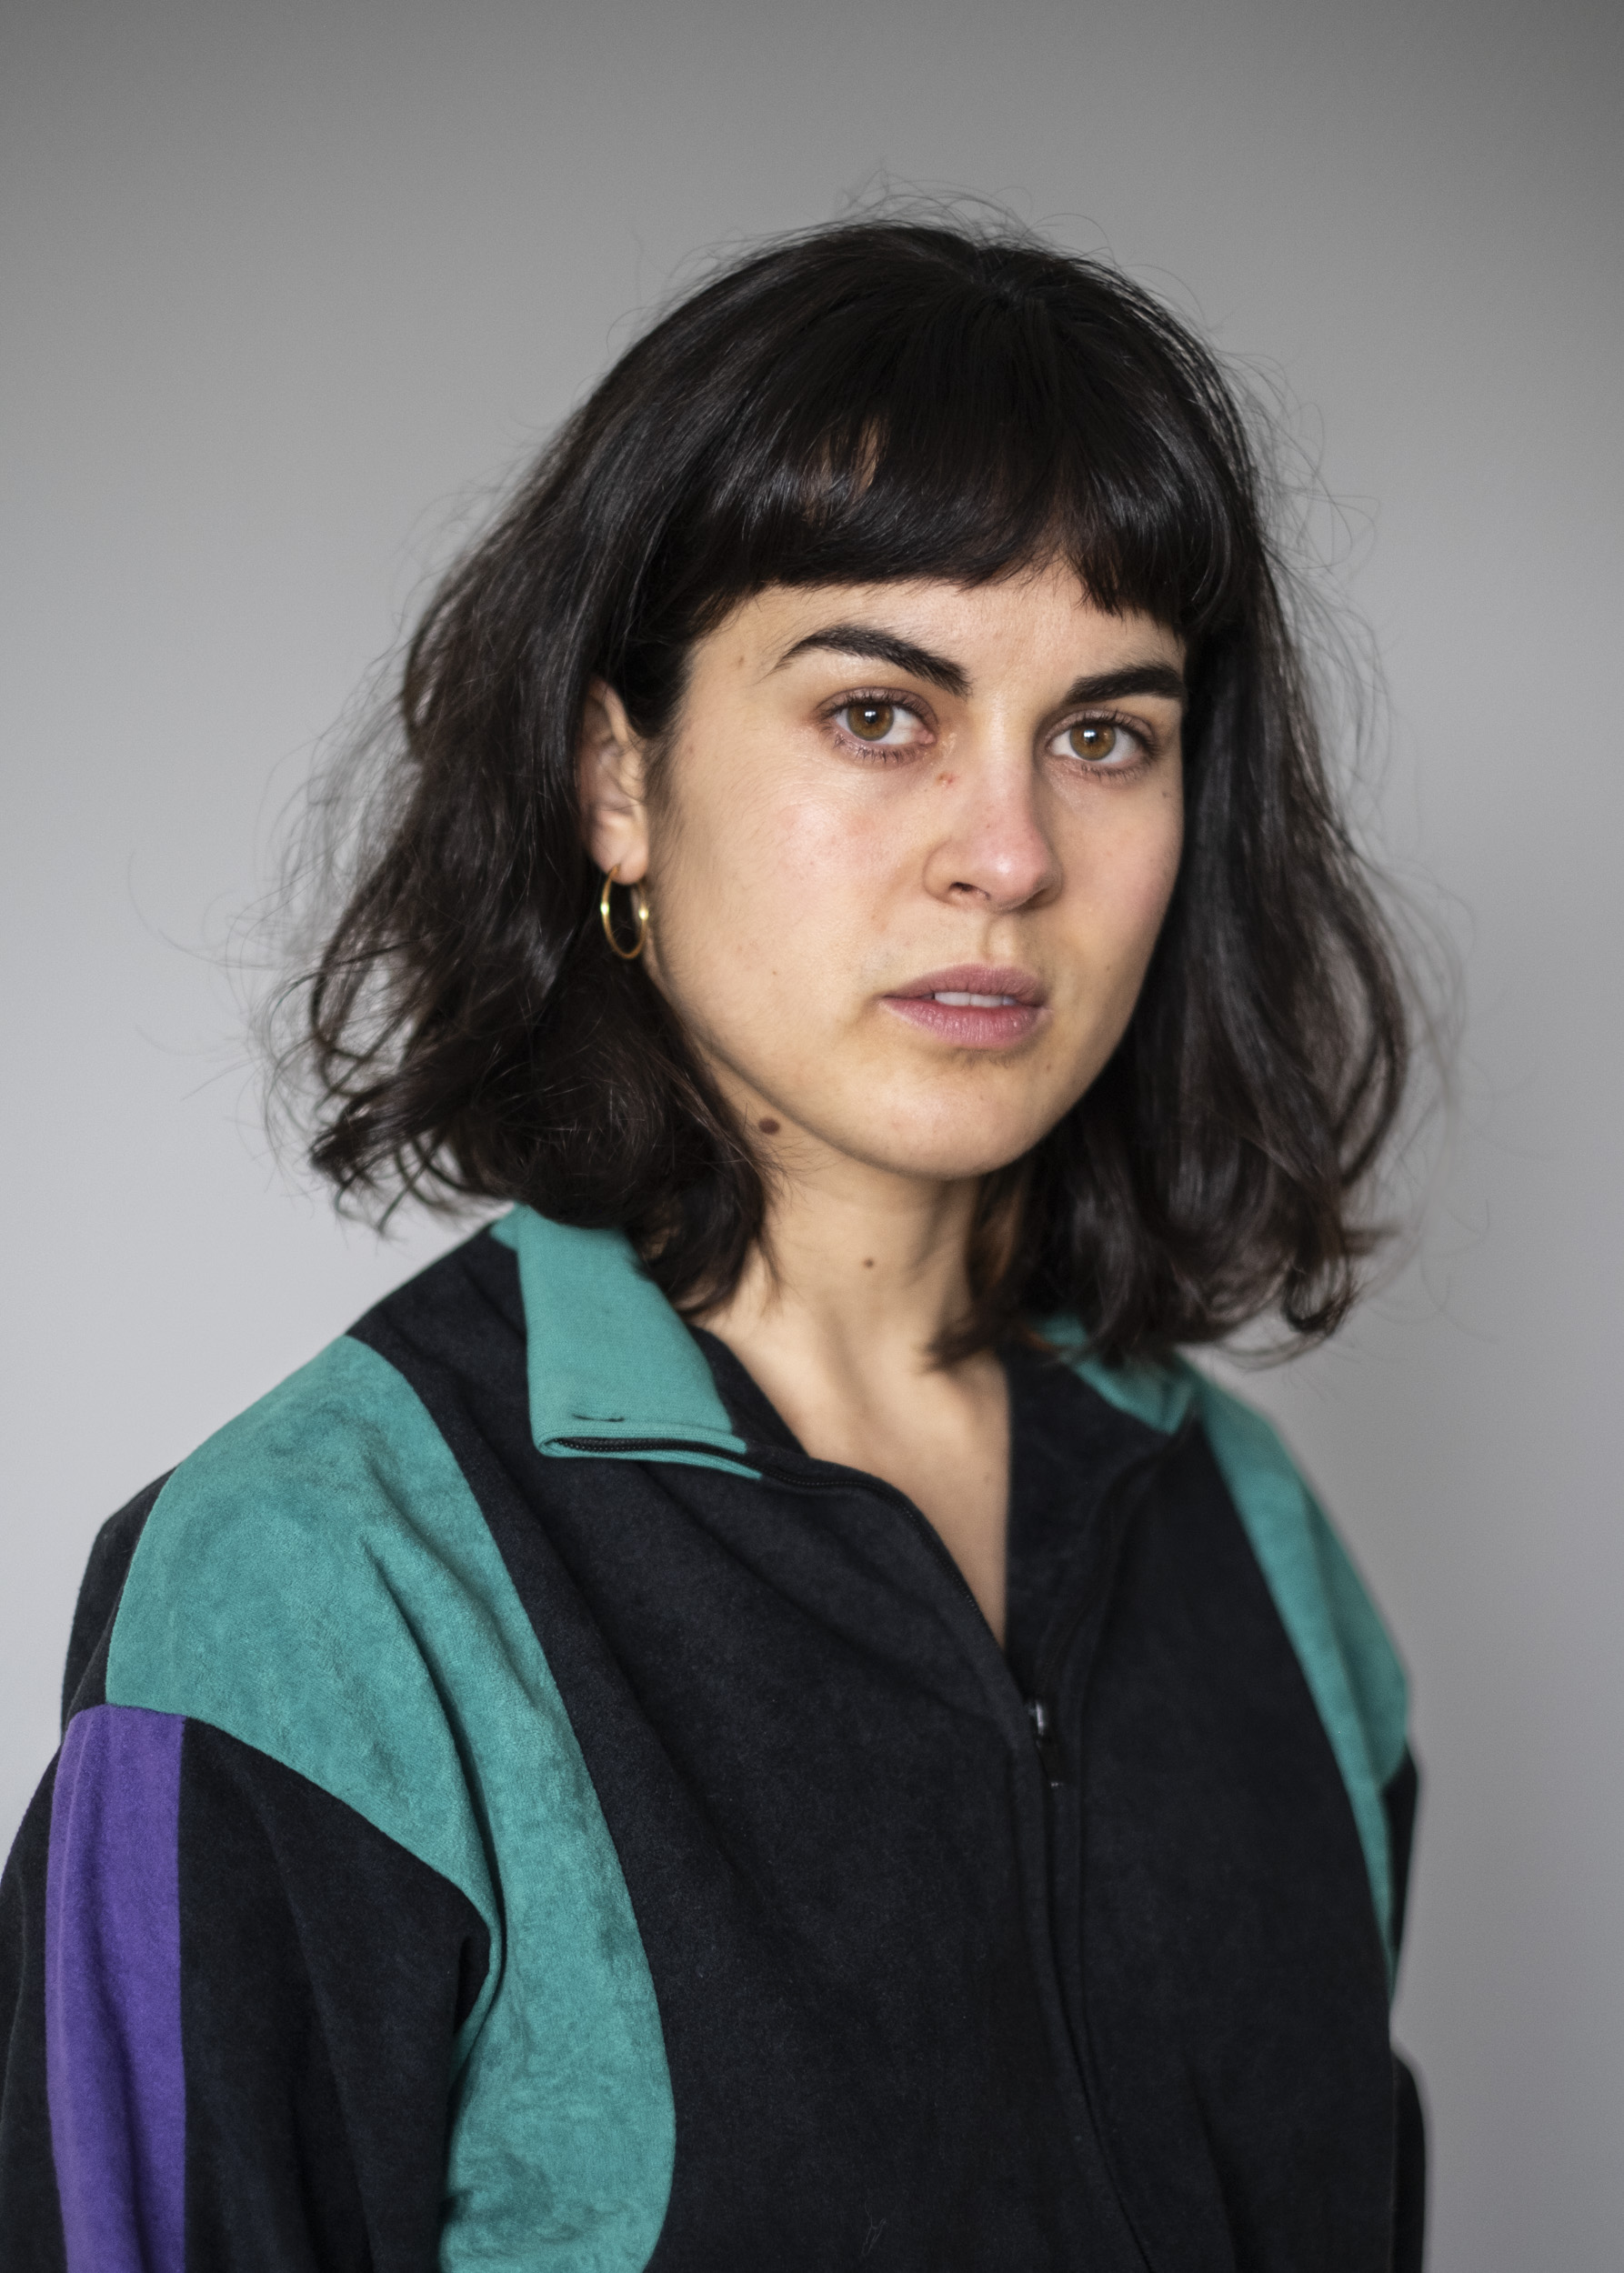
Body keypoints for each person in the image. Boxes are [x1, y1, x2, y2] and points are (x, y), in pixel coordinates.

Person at [0, 217, 1426, 2270]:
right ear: (617, 777)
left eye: (1104, 732)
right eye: (879, 713)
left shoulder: (1262, 1544)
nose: (1008, 852)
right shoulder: (313, 1581)